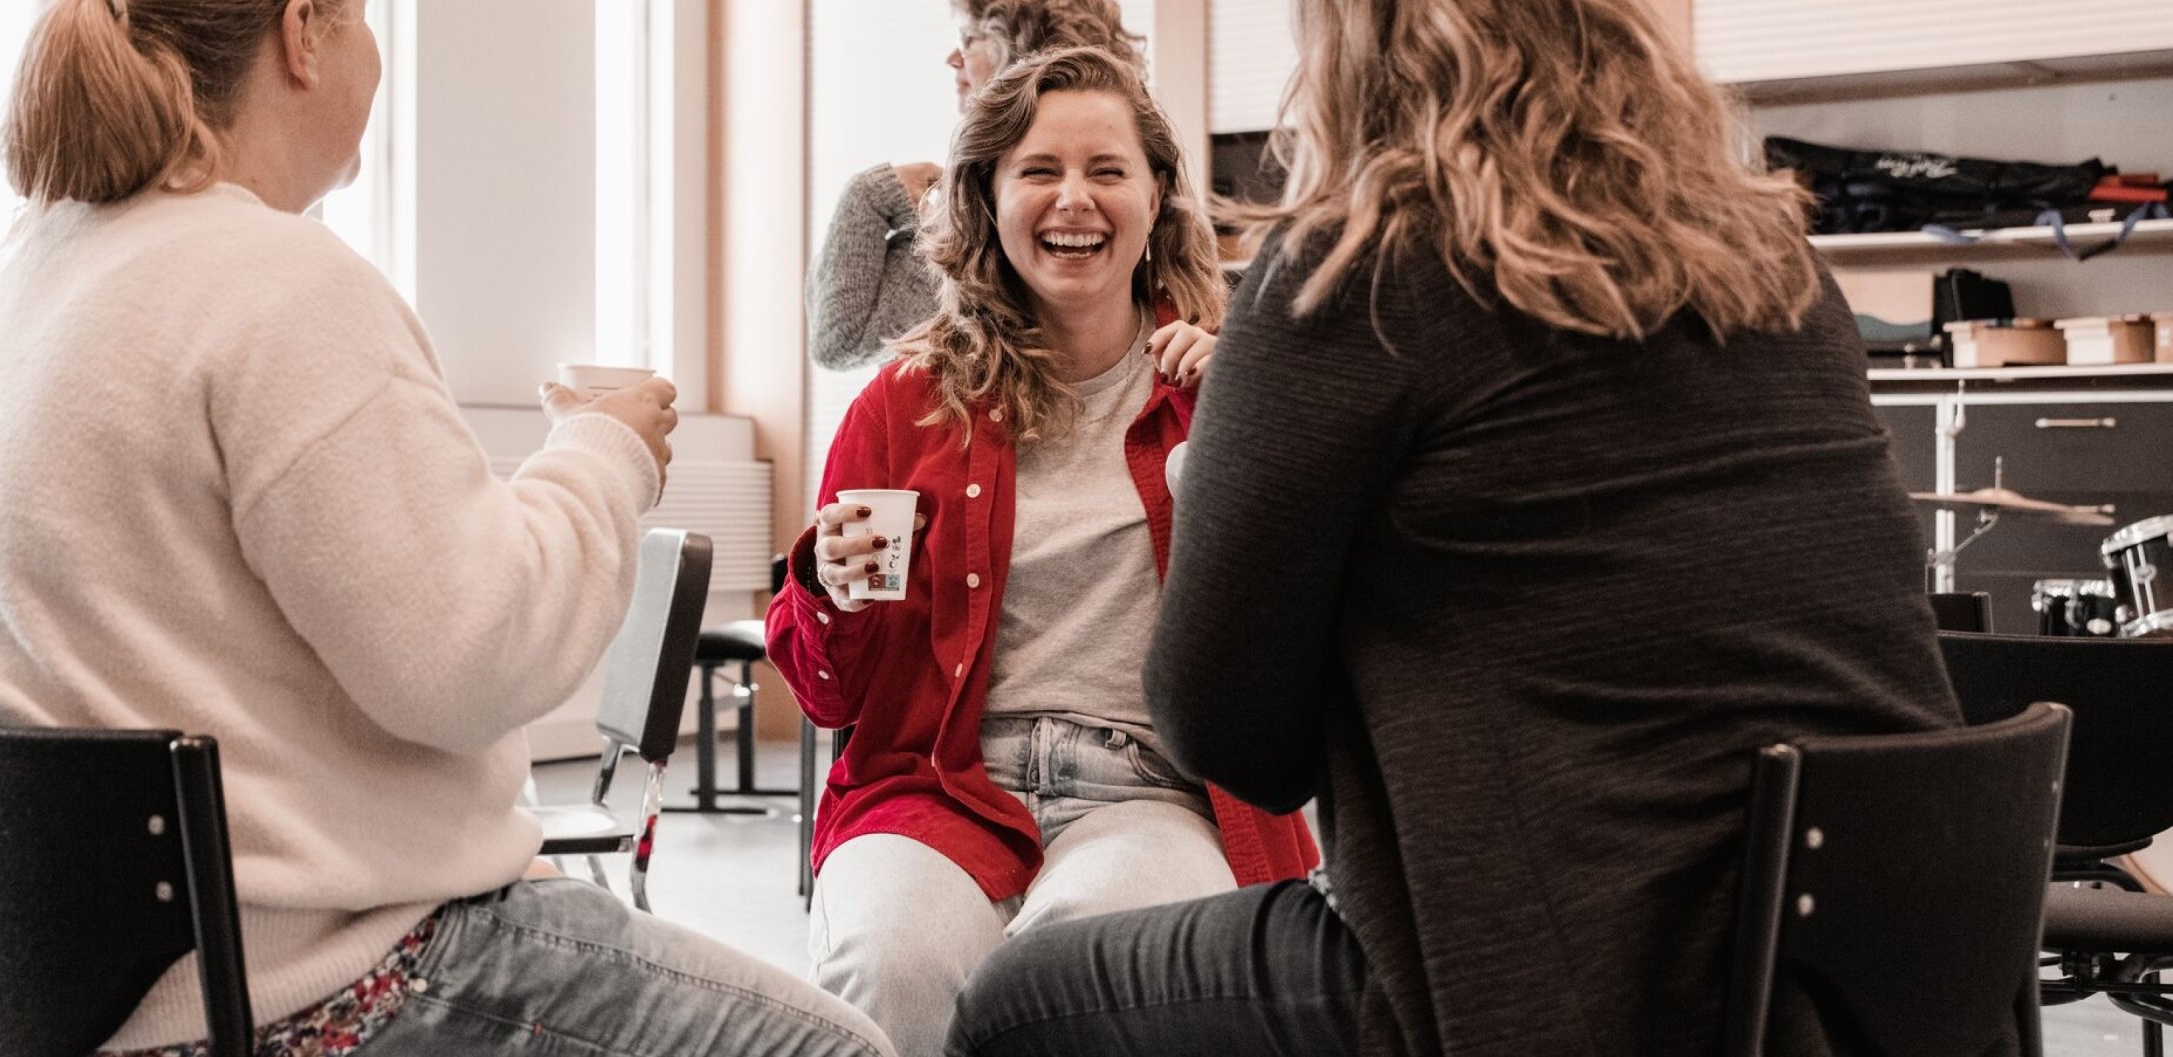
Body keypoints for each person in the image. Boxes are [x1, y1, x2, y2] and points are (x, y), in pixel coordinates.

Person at [945, 0, 1964, 1054]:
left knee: (1016, 1004)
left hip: (1587, 973)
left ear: (1354, 49)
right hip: (1893, 965)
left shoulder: (1353, 276)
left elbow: (1227, 735)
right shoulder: (1777, 266)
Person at [0, 2, 893, 1055]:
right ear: (303, 34)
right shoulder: (274, 278)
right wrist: (604, 457)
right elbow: (478, 659)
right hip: (299, 995)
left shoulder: (34, 287)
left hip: (66, 1010)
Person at [766, 47, 1317, 1057]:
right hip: (941, 782)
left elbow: (1308, 645)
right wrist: (828, 590)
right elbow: (828, 697)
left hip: (1154, 791)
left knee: (1092, 976)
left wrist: (1249, 423)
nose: (1076, 199)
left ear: (1157, 197)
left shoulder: (1231, 390)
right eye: (1039, 170)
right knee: (891, 968)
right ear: (987, 198)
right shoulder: (903, 401)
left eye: (1108, 169)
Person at [806, 0, 1145, 372]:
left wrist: (870, 194)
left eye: (969, 40)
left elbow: (839, 340)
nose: (953, 58)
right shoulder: (1131, 183)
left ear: (1015, 53)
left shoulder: (972, 218)